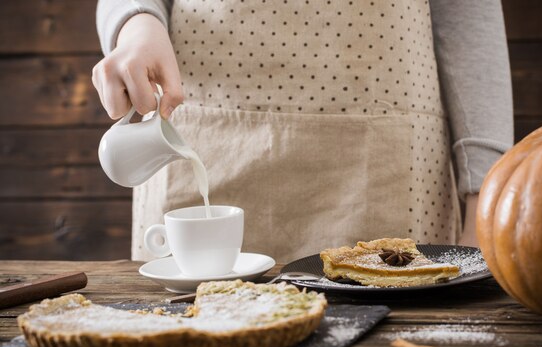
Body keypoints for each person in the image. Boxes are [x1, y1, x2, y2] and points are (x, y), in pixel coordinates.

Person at [94, 0, 513, 263]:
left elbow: (467, 12)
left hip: (389, 160)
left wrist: (484, 206)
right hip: (202, 134)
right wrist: (136, 23)